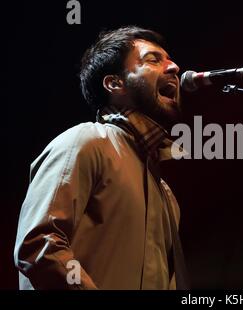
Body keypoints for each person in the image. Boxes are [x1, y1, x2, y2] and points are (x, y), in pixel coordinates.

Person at [13, 26, 189, 290]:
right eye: (153, 59)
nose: (174, 67)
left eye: (170, 59)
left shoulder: (166, 195)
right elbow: (40, 246)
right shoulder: (85, 142)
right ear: (115, 83)